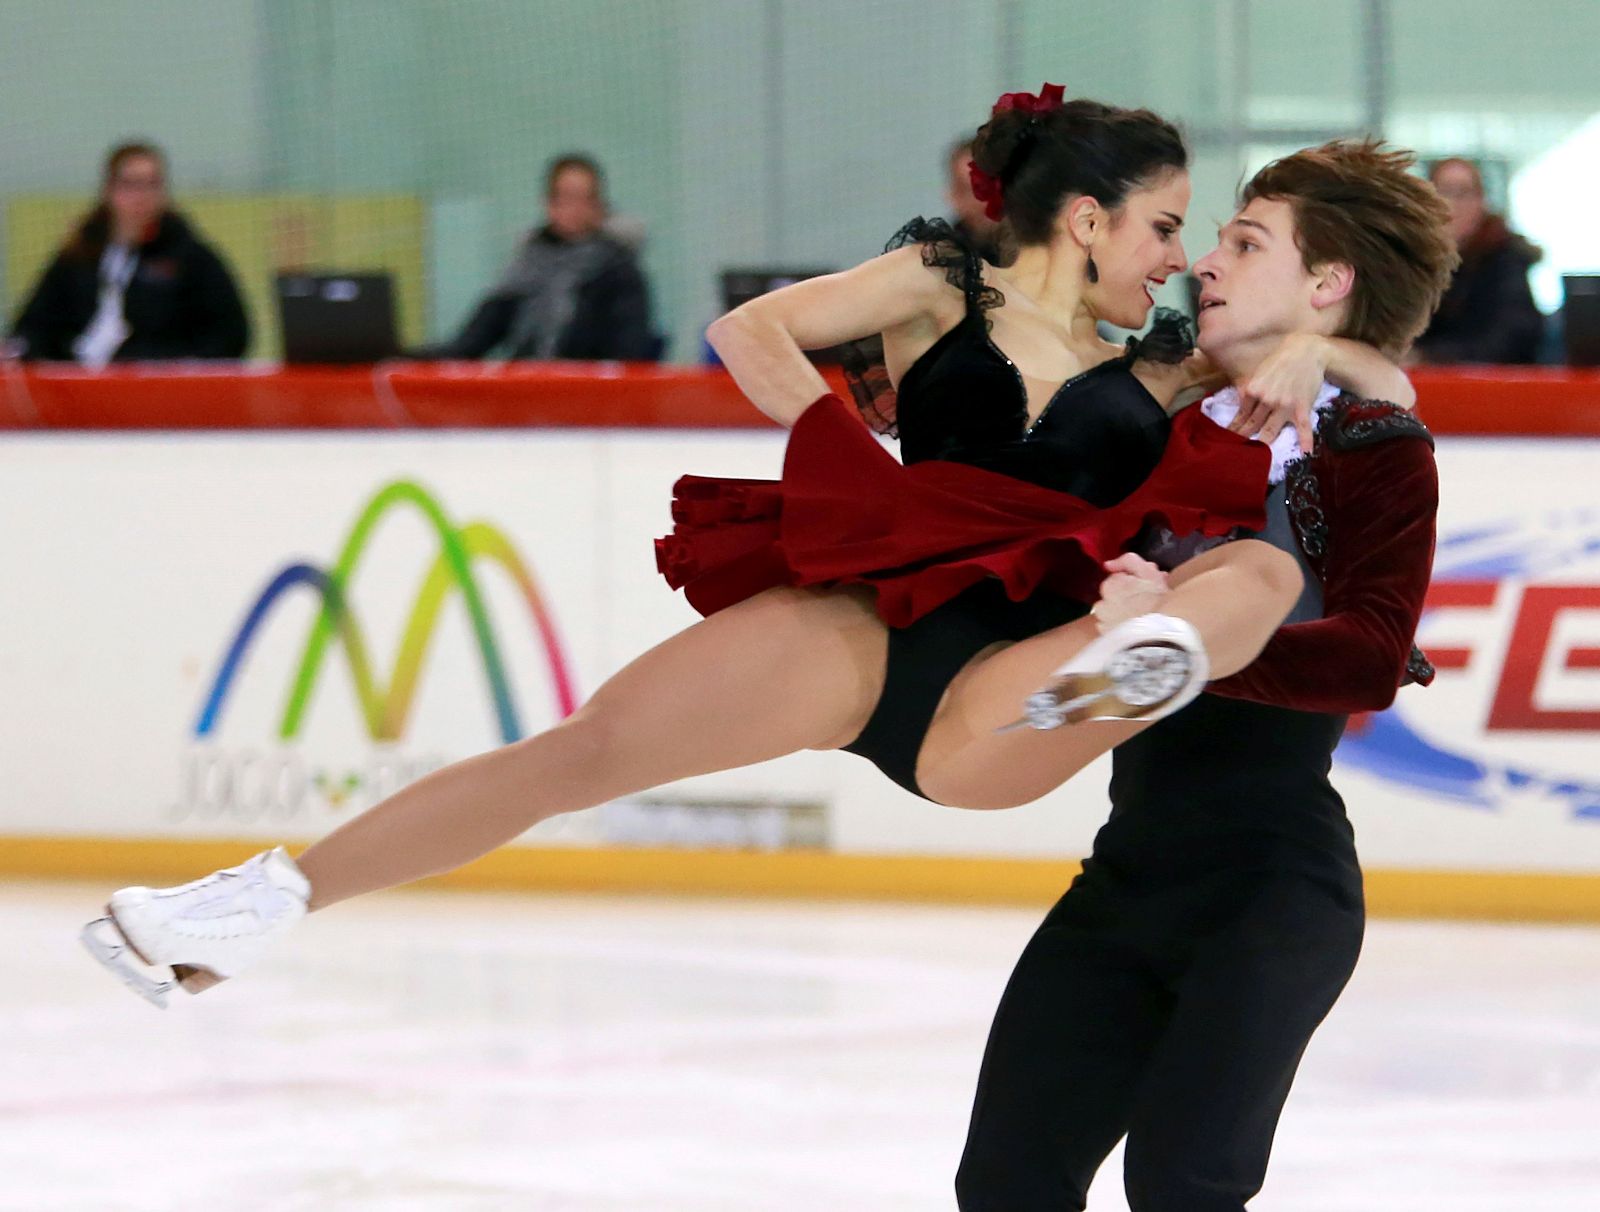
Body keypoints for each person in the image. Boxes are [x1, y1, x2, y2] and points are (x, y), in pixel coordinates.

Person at [81, 90, 1410, 1008]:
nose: (1181, 262)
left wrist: (1307, 344)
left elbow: (1380, 383)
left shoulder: (1164, 370)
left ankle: (1135, 662)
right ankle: (253, 907)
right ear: (1087, 219)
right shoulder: (942, 286)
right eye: (1168, 229)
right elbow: (754, 336)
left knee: (1259, 574)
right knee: (577, 752)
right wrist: (861, 465)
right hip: (862, 628)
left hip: (1012, 684)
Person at [954, 140, 1456, 1212]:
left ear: (1326, 285)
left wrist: (1176, 652)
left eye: (1243, 242)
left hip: (1270, 895)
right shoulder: (1158, 415)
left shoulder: (1370, 447)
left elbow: (1369, 655)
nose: (1204, 263)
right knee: (1004, 1182)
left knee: (1182, 1185)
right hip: (1126, 877)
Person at [9, 142, 249, 366]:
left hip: (157, 388)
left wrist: (170, 365)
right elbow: (34, 325)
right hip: (80, 386)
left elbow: (230, 334)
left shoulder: (190, 258)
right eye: (131, 184)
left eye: (152, 184)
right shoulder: (78, 256)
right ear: (109, 189)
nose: (141, 196)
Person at [420, 153, 661, 361]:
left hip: (588, 402)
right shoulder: (525, 267)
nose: (574, 208)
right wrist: (407, 357)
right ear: (548, 202)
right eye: (565, 197)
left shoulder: (619, 272)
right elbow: (474, 340)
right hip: (525, 394)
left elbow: (628, 351)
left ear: (598, 206)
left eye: (584, 198)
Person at [1412, 156, 1542, 364]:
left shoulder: (1506, 259)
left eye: (1463, 193)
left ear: (1481, 201)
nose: (1452, 204)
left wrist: (1429, 356)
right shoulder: (1412, 263)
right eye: (1443, 191)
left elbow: (1508, 339)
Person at [946, 135, 1004, 265]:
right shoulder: (939, 259)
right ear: (952, 196)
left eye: (988, 187)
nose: (981, 201)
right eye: (968, 190)